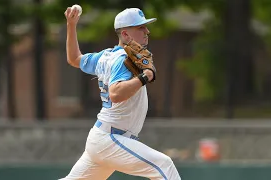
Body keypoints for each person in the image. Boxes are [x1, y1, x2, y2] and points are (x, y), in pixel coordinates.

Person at [60, 7, 182, 180]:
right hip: (111, 139)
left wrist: (71, 25)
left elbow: (74, 58)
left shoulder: (106, 56)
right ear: (125, 34)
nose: (147, 31)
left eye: (145, 26)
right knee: (164, 165)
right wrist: (145, 76)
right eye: (140, 27)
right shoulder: (122, 60)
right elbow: (116, 94)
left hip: (103, 138)